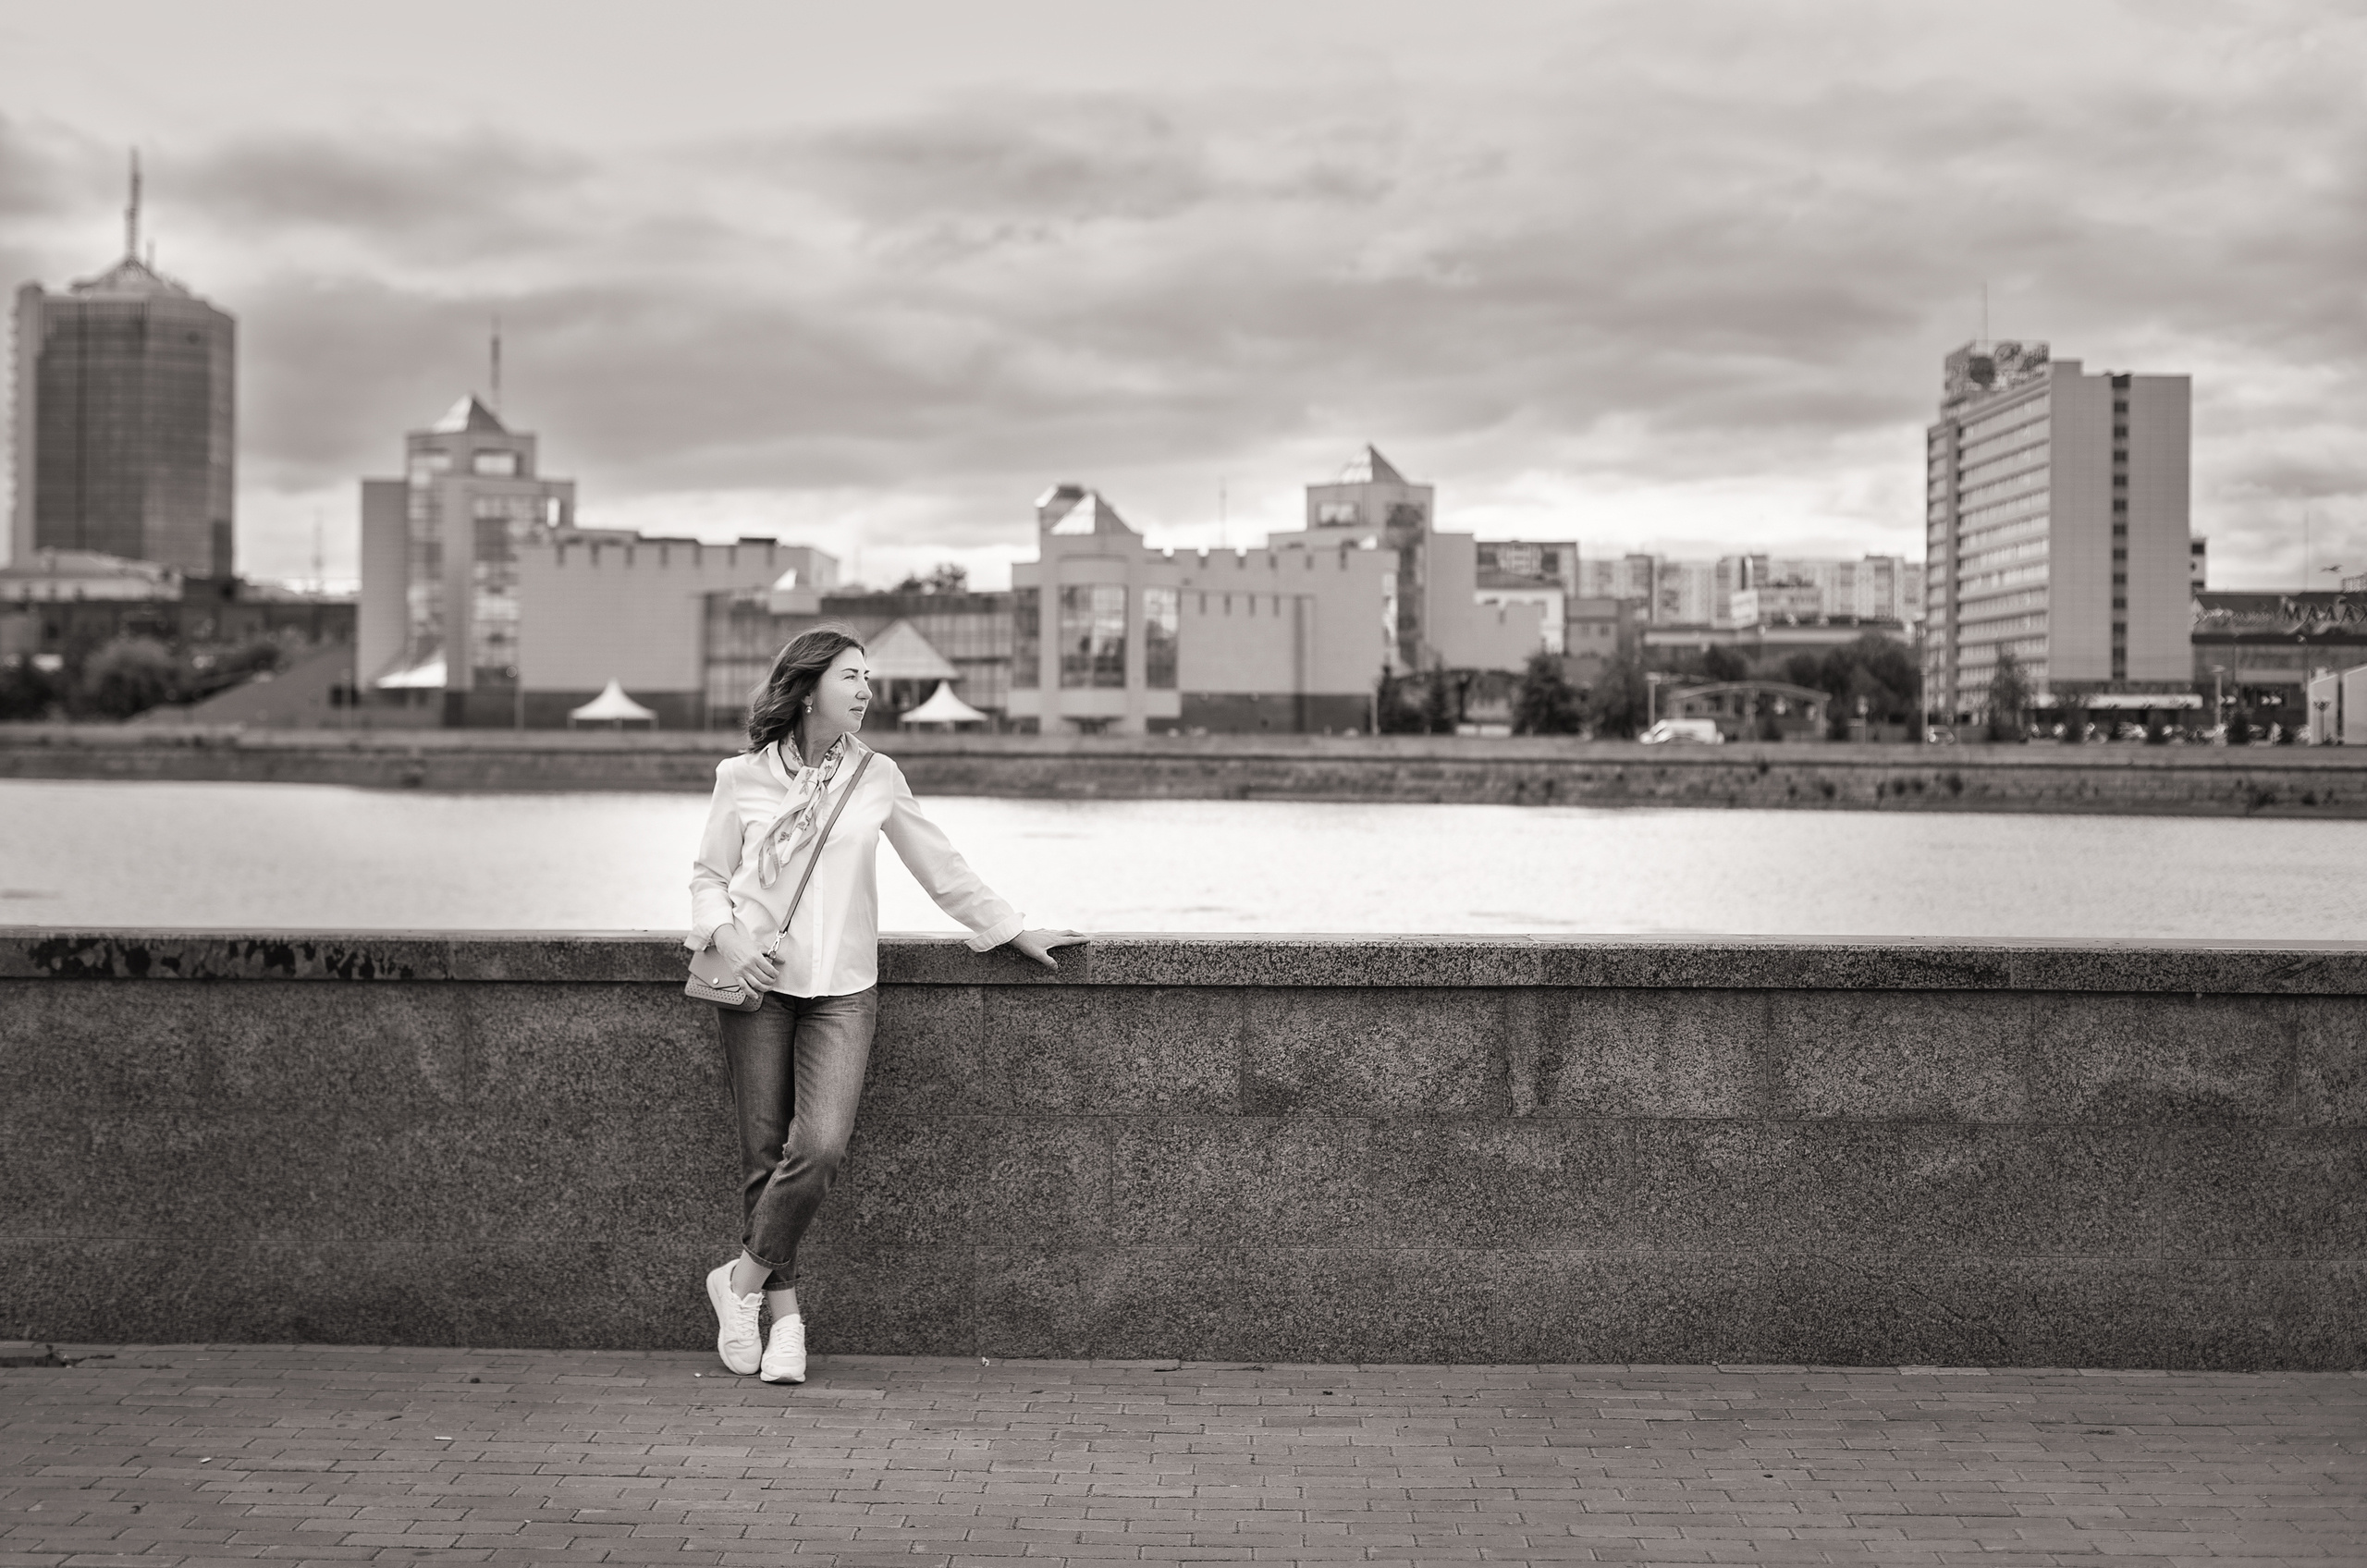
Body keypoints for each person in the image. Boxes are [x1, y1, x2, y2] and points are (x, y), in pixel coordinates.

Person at [688, 626, 1083, 1383]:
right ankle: (787, 1322)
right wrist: (727, 936)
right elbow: (709, 875)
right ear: (807, 690)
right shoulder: (740, 778)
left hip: (843, 988)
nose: (868, 690)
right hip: (756, 985)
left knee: (822, 1148)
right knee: (762, 1156)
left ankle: (736, 1283)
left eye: (868, 677)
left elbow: (940, 864)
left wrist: (1009, 928)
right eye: (851, 677)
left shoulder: (876, 775)